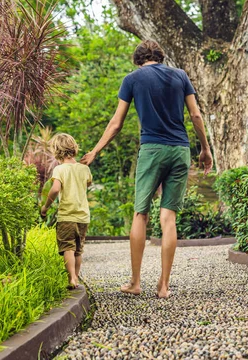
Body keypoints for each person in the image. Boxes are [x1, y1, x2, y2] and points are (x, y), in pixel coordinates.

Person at [81, 40, 213, 298]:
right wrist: (205, 149)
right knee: (169, 218)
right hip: (180, 149)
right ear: (160, 58)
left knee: (140, 213)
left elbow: (116, 123)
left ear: (138, 59)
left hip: (152, 149)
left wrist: (96, 150)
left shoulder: (132, 79)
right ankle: (164, 286)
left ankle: (135, 282)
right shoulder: (181, 76)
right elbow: (196, 116)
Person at [41, 133, 93, 289]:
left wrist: (46, 206)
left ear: (56, 151)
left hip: (67, 215)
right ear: (74, 148)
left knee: (67, 247)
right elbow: (88, 184)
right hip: (83, 216)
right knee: (78, 249)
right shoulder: (85, 169)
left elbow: (55, 189)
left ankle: (71, 278)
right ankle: (76, 277)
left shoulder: (60, 169)